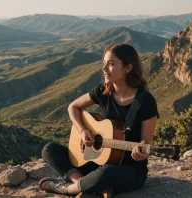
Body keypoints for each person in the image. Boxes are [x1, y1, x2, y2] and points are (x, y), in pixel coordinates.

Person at [39, 43, 159, 197]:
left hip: (128, 171)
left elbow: (146, 142)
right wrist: (83, 131)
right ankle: (88, 184)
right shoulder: (103, 91)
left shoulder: (145, 101)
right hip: (98, 162)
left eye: (111, 64)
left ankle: (68, 189)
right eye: (104, 64)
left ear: (128, 68)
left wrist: (141, 151)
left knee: (107, 172)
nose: (104, 69)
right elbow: (73, 107)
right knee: (49, 149)